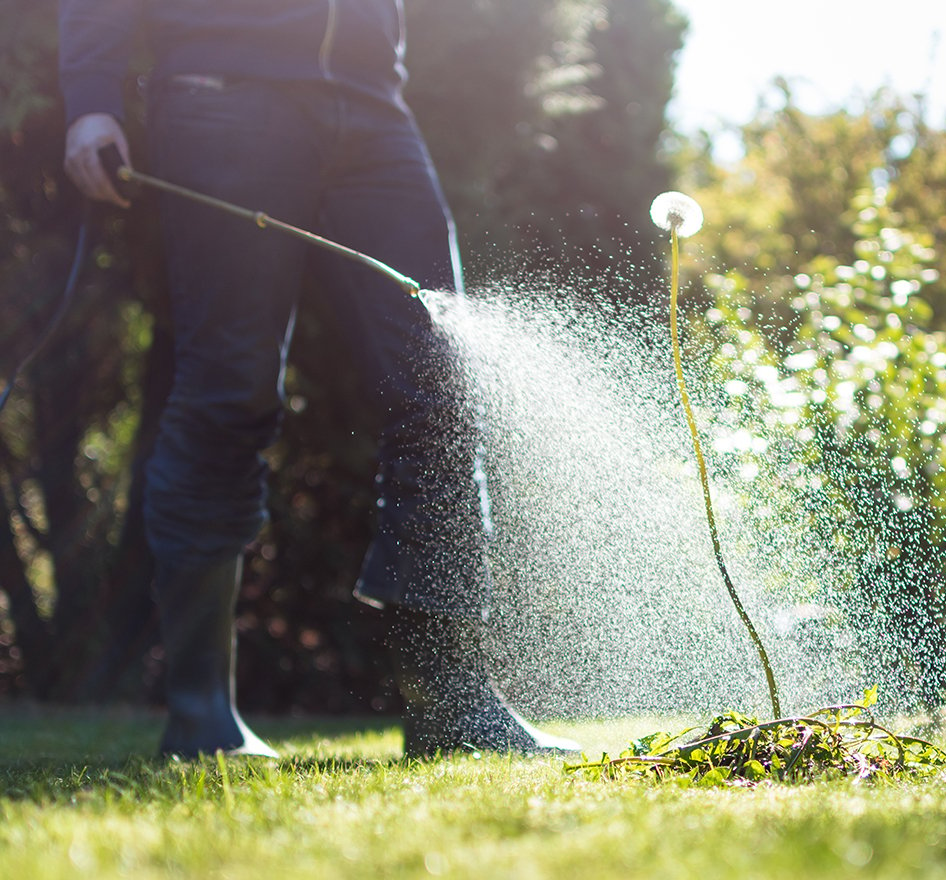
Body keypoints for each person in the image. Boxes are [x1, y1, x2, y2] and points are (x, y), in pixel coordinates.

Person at [59, 0, 578, 758]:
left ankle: (451, 707)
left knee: (442, 383)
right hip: (222, 91)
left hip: (373, 105)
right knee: (228, 392)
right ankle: (201, 714)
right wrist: (92, 99)